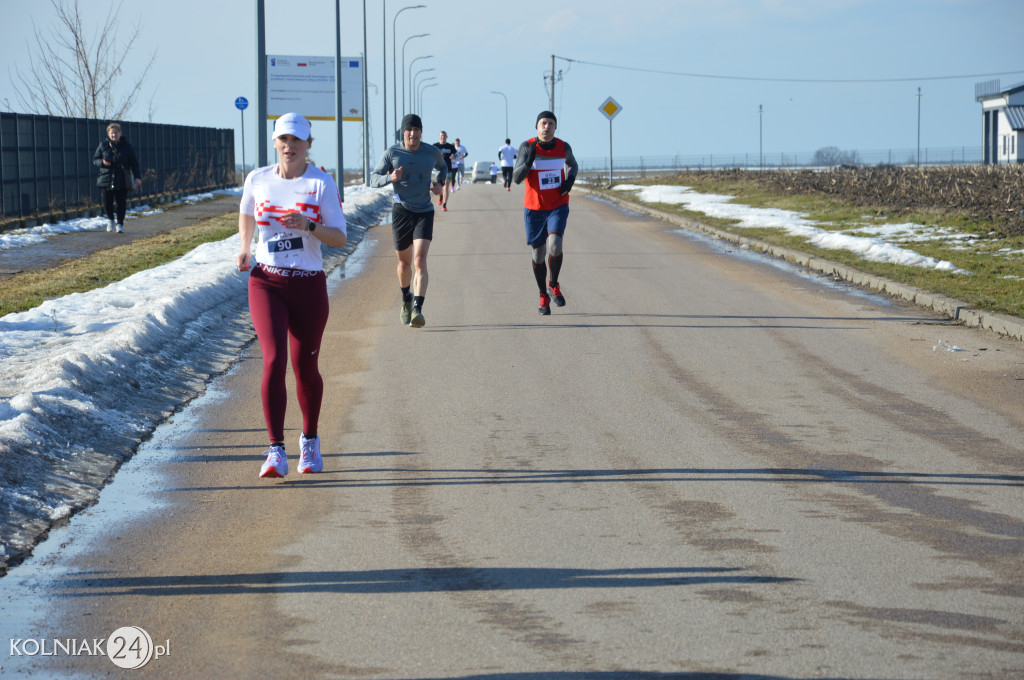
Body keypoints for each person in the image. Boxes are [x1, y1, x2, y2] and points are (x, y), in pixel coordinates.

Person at [236, 112, 348, 478]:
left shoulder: (320, 184)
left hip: (308, 284)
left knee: (305, 368)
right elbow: (246, 212)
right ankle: (275, 451)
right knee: (273, 360)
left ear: (308, 145)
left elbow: (341, 237)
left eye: (297, 141)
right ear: (274, 143)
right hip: (266, 281)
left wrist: (309, 225)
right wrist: (244, 247)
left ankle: (310, 441)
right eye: (284, 140)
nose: (290, 147)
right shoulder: (258, 179)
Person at [371, 113, 447, 328]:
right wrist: (390, 178)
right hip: (401, 212)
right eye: (409, 130)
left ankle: (417, 309)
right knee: (404, 264)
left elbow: (443, 167)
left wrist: (439, 182)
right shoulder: (392, 153)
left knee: (419, 261)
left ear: (421, 132)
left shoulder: (431, 152)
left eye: (417, 129)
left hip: (424, 211)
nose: (413, 133)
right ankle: (406, 296)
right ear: (403, 132)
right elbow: (373, 178)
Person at [512, 111, 579, 316]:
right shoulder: (527, 146)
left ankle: (554, 284)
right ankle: (543, 295)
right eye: (543, 123)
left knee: (556, 244)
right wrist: (528, 160)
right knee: (538, 253)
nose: (547, 127)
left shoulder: (563, 146)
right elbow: (516, 178)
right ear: (537, 126)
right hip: (534, 208)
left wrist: (570, 180)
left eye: (551, 123)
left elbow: (573, 165)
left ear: (555, 127)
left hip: (558, 204)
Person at [93, 123, 142, 233]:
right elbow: (95, 160)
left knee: (121, 202)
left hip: (122, 178)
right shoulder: (103, 145)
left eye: (116, 132)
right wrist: (103, 162)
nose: (114, 135)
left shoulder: (127, 146)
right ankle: (110, 220)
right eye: (111, 133)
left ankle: (120, 224)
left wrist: (137, 177)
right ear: (108, 134)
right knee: (107, 202)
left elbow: (134, 162)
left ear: (120, 133)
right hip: (106, 177)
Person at [434, 130, 456, 211]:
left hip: (448, 169)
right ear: (439, 137)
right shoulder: (435, 146)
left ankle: (444, 205)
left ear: (446, 137)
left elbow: (456, 155)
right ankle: (441, 196)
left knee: (446, 187)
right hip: (438, 169)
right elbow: (431, 156)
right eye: (441, 136)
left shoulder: (450, 147)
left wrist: (453, 157)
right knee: (440, 187)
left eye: (444, 136)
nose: (443, 137)